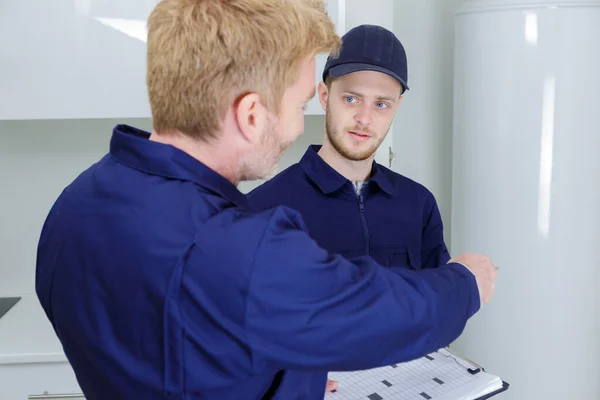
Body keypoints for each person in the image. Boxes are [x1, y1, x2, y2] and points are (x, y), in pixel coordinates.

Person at [35, 1, 497, 400]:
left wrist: (293, 382)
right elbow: (371, 310)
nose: (298, 128)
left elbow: (187, 352)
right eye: (298, 106)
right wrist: (466, 282)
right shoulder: (237, 247)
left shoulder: (74, 206)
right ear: (252, 115)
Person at [246, 24, 456, 393]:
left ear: (397, 107)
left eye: (381, 104)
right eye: (351, 99)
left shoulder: (417, 204)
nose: (364, 118)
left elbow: (435, 312)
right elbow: (242, 332)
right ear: (324, 95)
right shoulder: (264, 208)